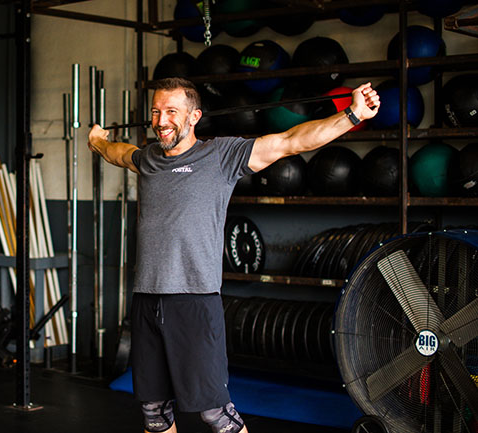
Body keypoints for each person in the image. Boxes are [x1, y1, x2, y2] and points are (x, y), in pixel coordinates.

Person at [88, 77, 380, 433]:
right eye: (156, 111)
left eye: (171, 112)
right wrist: (98, 140)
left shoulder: (221, 156)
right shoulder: (149, 159)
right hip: (147, 300)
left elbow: (291, 141)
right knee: (154, 411)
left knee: (216, 414)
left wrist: (352, 115)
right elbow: (118, 153)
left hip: (194, 302)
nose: (161, 120)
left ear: (194, 116)